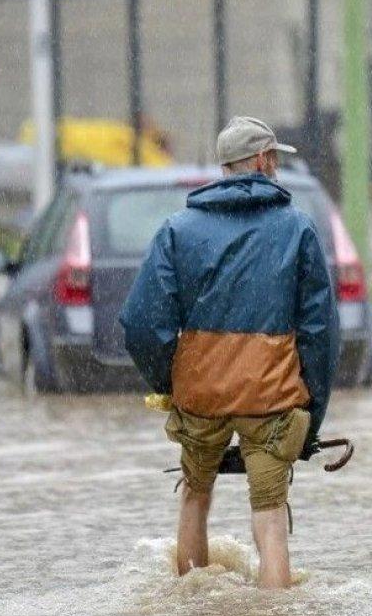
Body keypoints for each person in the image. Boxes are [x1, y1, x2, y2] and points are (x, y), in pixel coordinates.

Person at [119, 116, 339, 589]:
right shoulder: (297, 229)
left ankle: (195, 613)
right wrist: (312, 418)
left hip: (201, 397)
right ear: (262, 161)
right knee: (271, 518)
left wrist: (169, 382)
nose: (277, 166)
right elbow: (319, 333)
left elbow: (140, 324)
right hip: (272, 400)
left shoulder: (178, 229)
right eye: (275, 158)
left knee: (195, 497)